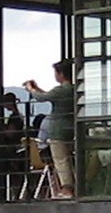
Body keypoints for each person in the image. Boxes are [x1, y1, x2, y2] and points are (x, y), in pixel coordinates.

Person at [23, 60, 77, 198]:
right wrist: (38, 88)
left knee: (60, 159)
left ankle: (67, 189)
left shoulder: (61, 90)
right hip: (71, 128)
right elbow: (49, 95)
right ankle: (75, 186)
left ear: (60, 74)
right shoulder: (74, 89)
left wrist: (31, 89)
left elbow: (42, 98)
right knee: (69, 159)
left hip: (57, 129)